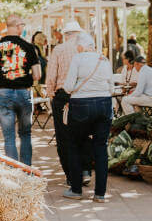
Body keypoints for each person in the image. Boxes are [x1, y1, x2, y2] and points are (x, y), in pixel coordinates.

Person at [0, 16, 43, 165]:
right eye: (22, 25)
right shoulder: (29, 47)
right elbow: (37, 75)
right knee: (25, 134)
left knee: (9, 136)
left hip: (4, 92)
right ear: (18, 26)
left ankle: (13, 172)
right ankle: (26, 170)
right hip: (23, 92)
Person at [62, 32, 114, 201]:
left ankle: (76, 190)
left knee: (75, 145)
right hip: (104, 104)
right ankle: (100, 193)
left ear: (80, 46)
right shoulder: (104, 59)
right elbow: (111, 87)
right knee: (101, 147)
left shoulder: (78, 59)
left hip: (81, 105)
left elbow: (68, 87)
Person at [44, 20, 83, 186]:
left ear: (66, 35)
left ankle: (70, 175)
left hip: (63, 96)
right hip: (82, 95)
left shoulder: (59, 49)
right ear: (78, 34)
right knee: (81, 134)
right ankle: (84, 170)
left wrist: (50, 93)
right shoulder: (87, 49)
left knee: (63, 136)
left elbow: (51, 75)